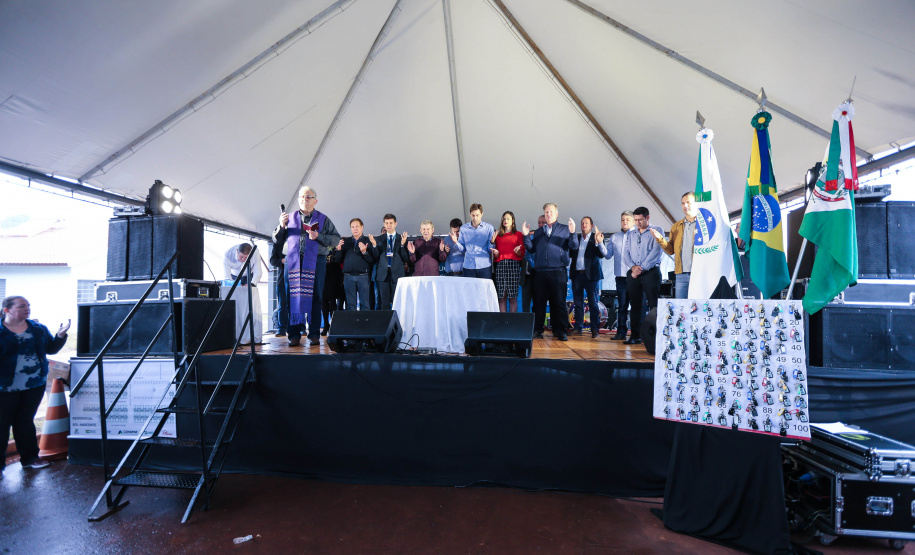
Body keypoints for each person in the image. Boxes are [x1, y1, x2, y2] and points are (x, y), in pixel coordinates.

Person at [1, 296, 69, 471]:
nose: (27, 309)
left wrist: (60, 335)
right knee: (2, 424)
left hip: (34, 384)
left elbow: (51, 349)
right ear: (7, 310)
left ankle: (30, 458)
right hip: (5, 387)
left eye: (28, 306)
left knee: (25, 421)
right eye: (21, 306)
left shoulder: (37, 329)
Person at [275, 186, 341, 346]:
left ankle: (314, 333)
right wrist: (281, 226)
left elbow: (336, 239)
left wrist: (319, 236)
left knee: (316, 296)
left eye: (308, 197)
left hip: (316, 260)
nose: (305, 199)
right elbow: (276, 239)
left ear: (315, 201)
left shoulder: (323, 219)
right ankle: (294, 334)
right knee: (292, 296)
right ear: (298, 200)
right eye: (302, 197)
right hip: (293, 261)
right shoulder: (288, 218)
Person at [522, 203, 578, 341]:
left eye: (551, 212)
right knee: (538, 303)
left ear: (557, 214)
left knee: (558, 302)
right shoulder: (539, 232)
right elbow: (531, 249)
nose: (548, 214)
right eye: (546, 212)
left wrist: (572, 233)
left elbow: (574, 246)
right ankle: (537, 330)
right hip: (540, 272)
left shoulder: (565, 229)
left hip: (558, 271)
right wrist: (526, 236)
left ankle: (560, 330)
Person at [622, 206, 664, 345]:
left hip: (651, 272)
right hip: (634, 273)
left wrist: (641, 268)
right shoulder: (631, 234)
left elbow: (656, 251)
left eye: (640, 219)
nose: (638, 222)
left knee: (653, 305)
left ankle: (655, 338)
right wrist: (633, 267)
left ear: (647, 218)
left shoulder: (657, 230)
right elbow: (625, 253)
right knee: (635, 305)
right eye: (635, 220)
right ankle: (635, 336)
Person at [651, 192, 699, 299]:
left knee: (700, 305)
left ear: (696, 203)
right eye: (683, 203)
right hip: (681, 274)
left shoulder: (703, 224)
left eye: (688, 202)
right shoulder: (676, 227)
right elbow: (670, 250)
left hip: (699, 273)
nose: (685, 205)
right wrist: (660, 239)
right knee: (681, 306)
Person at [570, 217, 608, 337]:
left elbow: (601, 255)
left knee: (593, 303)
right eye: (582, 223)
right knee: (578, 302)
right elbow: (570, 253)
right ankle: (578, 328)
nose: (584, 225)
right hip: (577, 274)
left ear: (591, 226)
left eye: (586, 223)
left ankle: (595, 329)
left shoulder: (596, 237)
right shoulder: (577, 238)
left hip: (591, 276)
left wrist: (599, 242)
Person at [223, 243, 264, 344]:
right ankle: (236, 335)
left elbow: (258, 271)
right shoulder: (228, 255)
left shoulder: (255, 253)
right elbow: (227, 277)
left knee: (250, 305)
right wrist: (234, 285)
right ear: (237, 251)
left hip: (249, 275)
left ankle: (251, 336)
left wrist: (252, 284)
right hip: (234, 277)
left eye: (246, 258)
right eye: (241, 257)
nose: (243, 260)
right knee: (236, 306)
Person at [335, 218, 376, 311]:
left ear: (362, 227)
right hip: (348, 277)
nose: (355, 229)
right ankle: (352, 321)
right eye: (352, 227)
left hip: (363, 276)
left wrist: (364, 252)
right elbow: (338, 260)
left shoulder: (368, 241)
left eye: (357, 226)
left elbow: (372, 260)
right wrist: (338, 249)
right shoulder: (346, 242)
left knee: (365, 305)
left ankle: (365, 321)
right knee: (350, 306)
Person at [606, 211, 635, 340]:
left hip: (635, 276)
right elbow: (607, 255)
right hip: (620, 277)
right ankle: (621, 333)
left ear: (633, 221)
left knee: (636, 307)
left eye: (627, 219)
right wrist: (600, 243)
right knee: (622, 306)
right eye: (623, 219)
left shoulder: (638, 235)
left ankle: (636, 334)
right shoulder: (614, 237)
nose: (624, 222)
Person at [371, 214, 409, 310]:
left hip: (397, 274)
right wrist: (374, 246)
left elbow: (405, 258)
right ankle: (386, 320)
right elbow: (375, 258)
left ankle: (397, 320)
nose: (389, 225)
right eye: (387, 223)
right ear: (384, 224)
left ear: (395, 224)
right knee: (384, 303)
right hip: (383, 274)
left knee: (397, 302)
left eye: (391, 223)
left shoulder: (402, 238)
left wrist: (402, 245)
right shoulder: (379, 239)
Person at [450, 204, 496, 279]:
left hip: (484, 266)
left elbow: (489, 250)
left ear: (482, 214)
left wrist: (492, 242)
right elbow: (463, 249)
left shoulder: (489, 228)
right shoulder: (464, 228)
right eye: (473, 215)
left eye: (477, 215)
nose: (475, 218)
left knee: (484, 287)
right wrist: (456, 242)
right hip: (468, 266)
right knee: (469, 287)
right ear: (470, 214)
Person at [492, 211, 525, 312]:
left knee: (512, 297)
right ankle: (503, 320)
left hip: (513, 265)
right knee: (502, 297)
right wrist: (495, 253)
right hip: (500, 266)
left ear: (513, 221)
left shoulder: (518, 234)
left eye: (508, 219)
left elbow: (522, 254)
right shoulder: (497, 235)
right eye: (504, 219)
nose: (505, 221)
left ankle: (512, 320)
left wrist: (517, 251)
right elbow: (495, 254)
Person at [520, 215, 546, 312]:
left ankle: (537, 321)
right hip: (526, 278)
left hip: (538, 276)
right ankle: (525, 321)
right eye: (539, 222)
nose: (540, 224)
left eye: (543, 222)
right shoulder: (525, 247)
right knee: (525, 305)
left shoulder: (542, 241)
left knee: (538, 303)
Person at [321, 250, 344, 335]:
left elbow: (339, 258)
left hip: (334, 273)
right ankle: (326, 325)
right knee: (323, 301)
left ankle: (333, 325)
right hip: (322, 271)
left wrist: (338, 250)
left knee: (332, 301)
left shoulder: (338, 245)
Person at [269, 237, 288, 337]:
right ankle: (282, 328)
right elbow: (272, 260)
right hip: (282, 280)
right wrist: (282, 261)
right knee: (282, 305)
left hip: (298, 279)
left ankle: (301, 327)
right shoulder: (278, 244)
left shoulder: (301, 241)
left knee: (298, 305)